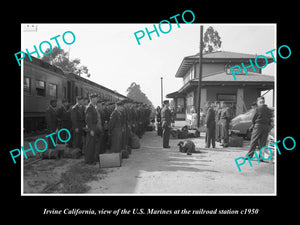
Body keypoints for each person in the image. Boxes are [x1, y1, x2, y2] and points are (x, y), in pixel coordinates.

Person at [246, 96, 272, 161]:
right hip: (266, 127)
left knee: (254, 141)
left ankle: (249, 156)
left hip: (258, 126)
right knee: (263, 143)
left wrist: (254, 124)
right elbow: (270, 120)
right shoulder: (269, 110)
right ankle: (261, 157)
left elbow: (253, 118)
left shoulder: (257, 109)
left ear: (259, 102)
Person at [85, 93, 99, 164]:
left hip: (94, 126)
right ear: (92, 99)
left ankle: (92, 159)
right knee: (90, 145)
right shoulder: (89, 107)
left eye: (96, 98)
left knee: (93, 144)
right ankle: (89, 160)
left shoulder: (93, 107)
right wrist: (91, 130)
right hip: (91, 127)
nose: (97, 99)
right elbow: (88, 120)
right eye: (95, 98)